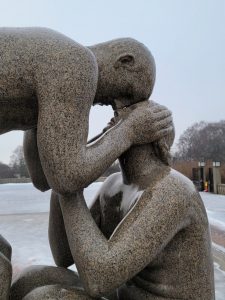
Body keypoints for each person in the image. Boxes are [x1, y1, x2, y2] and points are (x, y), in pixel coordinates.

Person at [10, 101, 215, 300]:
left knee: (45, 297)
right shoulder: (113, 185)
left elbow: (98, 279)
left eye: (125, 114)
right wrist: (67, 172)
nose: (113, 120)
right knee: (32, 278)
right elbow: (63, 255)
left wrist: (67, 179)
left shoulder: (171, 189)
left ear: (148, 131)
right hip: (122, 295)